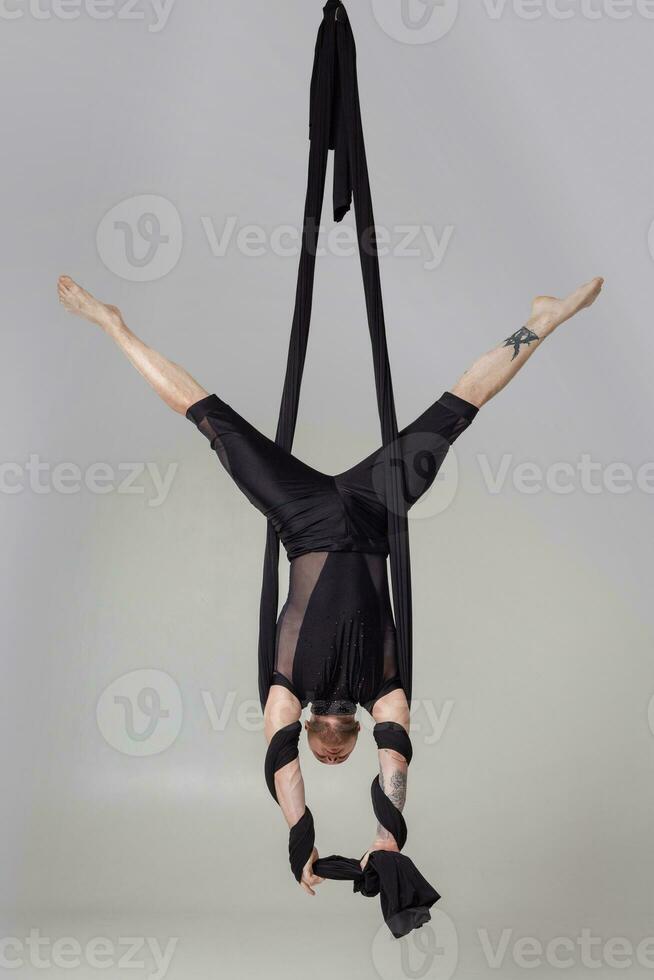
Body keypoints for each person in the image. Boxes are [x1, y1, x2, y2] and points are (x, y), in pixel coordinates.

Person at [56, 272, 604, 896]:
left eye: (324, 761)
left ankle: (113, 325)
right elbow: (382, 759)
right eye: (339, 760)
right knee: (455, 409)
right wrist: (384, 837)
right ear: (350, 738)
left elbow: (289, 763)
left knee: (210, 417)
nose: (331, 760)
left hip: (306, 517)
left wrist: (306, 838)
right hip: (368, 513)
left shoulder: (303, 691)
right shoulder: (380, 694)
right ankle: (545, 317)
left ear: (315, 736)